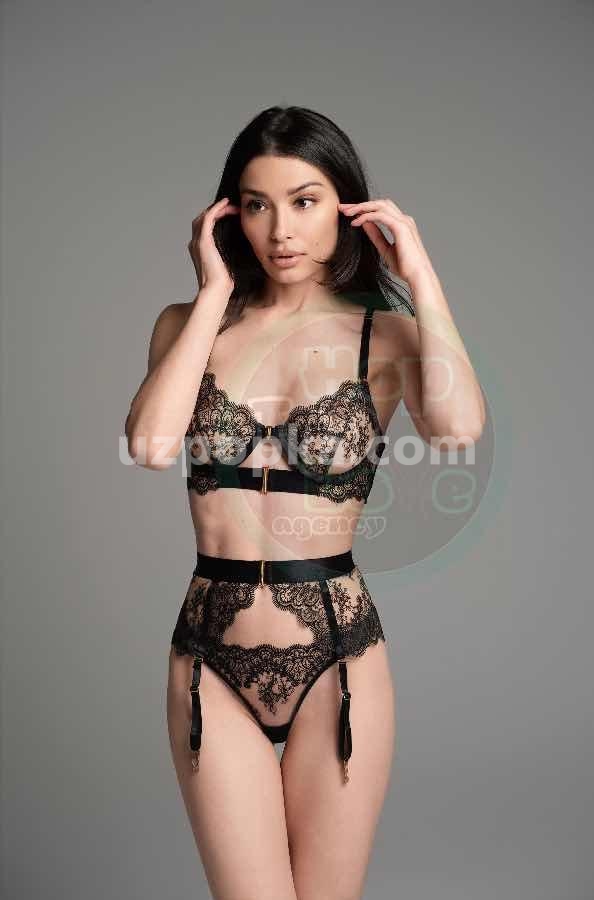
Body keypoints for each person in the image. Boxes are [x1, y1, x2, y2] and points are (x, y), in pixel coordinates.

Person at [124, 105, 485, 900]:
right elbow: (149, 445)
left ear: (346, 207)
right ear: (230, 216)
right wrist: (213, 294)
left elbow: (458, 430)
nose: (280, 229)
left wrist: (421, 276)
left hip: (338, 655)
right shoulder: (187, 326)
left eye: (305, 200)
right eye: (257, 204)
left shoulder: (386, 335)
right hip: (211, 652)